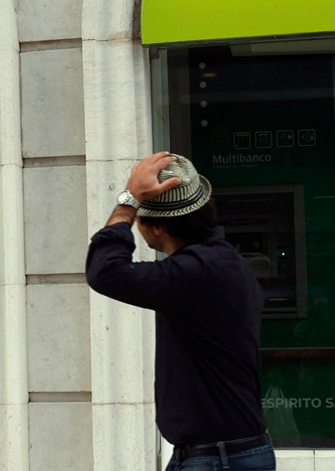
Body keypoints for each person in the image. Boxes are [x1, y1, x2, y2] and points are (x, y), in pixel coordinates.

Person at [85, 152, 275, 471]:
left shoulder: (197, 272)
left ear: (157, 227)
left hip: (218, 458)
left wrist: (128, 200)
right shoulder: (222, 263)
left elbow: (105, 271)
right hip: (219, 454)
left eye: (139, 218)